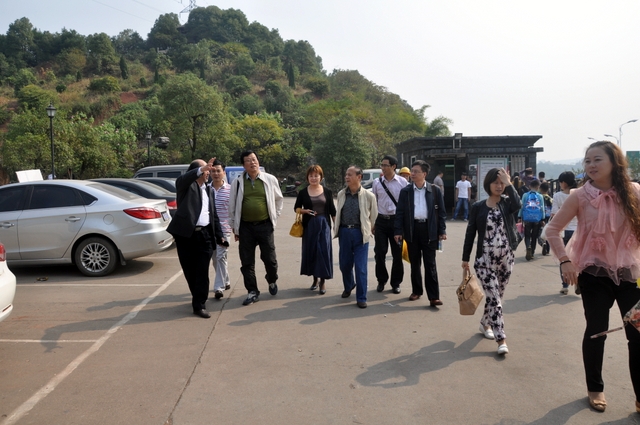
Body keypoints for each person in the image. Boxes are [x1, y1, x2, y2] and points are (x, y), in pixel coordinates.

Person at [546, 141, 640, 413]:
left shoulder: (634, 191)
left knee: (637, 334)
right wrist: (565, 261)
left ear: (614, 162)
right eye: (587, 161)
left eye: (597, 159)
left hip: (630, 276)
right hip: (594, 275)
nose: (591, 165)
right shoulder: (580, 196)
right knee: (597, 332)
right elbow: (552, 230)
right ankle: (595, 388)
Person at [461, 168, 521, 355]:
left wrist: (509, 183)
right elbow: (470, 233)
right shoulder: (478, 207)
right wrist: (465, 258)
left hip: (506, 259)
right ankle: (501, 339)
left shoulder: (507, 203)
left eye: (502, 183)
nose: (499, 186)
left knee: (497, 296)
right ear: (488, 184)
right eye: (496, 182)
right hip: (484, 261)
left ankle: (484, 323)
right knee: (494, 298)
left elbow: (518, 204)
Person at [167, 158, 226, 319]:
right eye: (207, 170)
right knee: (190, 271)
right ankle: (197, 296)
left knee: (202, 271)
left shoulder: (208, 189)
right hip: (186, 236)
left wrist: (219, 235)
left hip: (205, 235)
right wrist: (201, 169)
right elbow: (182, 180)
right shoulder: (186, 186)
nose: (209, 173)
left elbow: (213, 215)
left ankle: (199, 304)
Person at [229, 150, 284, 306]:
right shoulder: (237, 183)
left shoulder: (270, 179)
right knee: (247, 262)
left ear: (258, 161)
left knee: (270, 260)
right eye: (248, 160)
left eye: (254, 159)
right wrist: (235, 227)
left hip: (265, 226)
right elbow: (232, 206)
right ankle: (252, 291)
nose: (252, 162)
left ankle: (271, 279)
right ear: (243, 165)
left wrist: (274, 217)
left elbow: (279, 200)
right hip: (245, 228)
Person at [394, 160, 447, 307]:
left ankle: (434, 296)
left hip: (429, 230)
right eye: (412, 171)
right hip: (412, 230)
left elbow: (441, 213)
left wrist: (442, 230)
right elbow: (400, 213)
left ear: (424, 174)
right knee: (415, 263)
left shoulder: (435, 190)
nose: (412, 174)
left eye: (416, 171)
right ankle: (416, 291)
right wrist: (398, 231)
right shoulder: (406, 191)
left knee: (430, 264)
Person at [334, 166, 378, 308]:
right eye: (346, 174)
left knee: (361, 267)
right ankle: (349, 285)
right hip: (344, 232)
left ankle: (361, 297)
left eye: (350, 175)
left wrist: (370, 229)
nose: (346, 177)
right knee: (344, 265)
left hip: (361, 234)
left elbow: (374, 216)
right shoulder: (341, 194)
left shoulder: (369, 196)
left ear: (359, 177)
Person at [294, 165, 336, 295]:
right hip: (310, 226)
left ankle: (323, 281)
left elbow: (332, 210)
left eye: (316, 175)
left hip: (324, 225)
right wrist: (305, 211)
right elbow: (296, 208)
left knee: (323, 252)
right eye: (311, 176)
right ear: (307, 178)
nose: (313, 178)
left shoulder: (327, 191)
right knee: (312, 251)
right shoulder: (303, 192)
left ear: (321, 177)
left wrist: (336, 225)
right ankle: (315, 279)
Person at [372, 155, 408, 294]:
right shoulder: (377, 182)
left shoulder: (403, 182)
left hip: (396, 222)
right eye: (382, 165)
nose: (383, 167)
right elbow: (374, 203)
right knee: (380, 252)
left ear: (393, 166)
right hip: (381, 221)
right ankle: (381, 280)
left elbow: (406, 204)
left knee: (397, 254)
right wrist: (373, 222)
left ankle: (396, 283)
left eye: (385, 165)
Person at [549, 171, 578, 294]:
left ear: (564, 183)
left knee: (564, 259)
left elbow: (554, 213)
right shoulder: (579, 194)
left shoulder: (558, 196)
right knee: (578, 259)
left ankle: (565, 285)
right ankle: (577, 282)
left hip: (564, 231)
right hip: (578, 231)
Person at [210, 159, 232, 299]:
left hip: (225, 229)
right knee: (215, 259)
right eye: (213, 171)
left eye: (218, 171)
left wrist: (235, 228)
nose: (216, 173)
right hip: (210, 229)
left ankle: (219, 287)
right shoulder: (206, 189)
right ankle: (226, 280)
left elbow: (234, 210)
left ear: (224, 172)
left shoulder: (231, 190)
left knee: (220, 256)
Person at [519, 179, 544, 261]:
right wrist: (542, 219)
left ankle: (528, 247)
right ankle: (532, 252)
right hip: (537, 219)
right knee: (534, 236)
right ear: (538, 187)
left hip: (527, 218)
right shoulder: (540, 196)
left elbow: (522, 206)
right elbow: (542, 209)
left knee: (527, 235)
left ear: (529, 186)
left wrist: (519, 216)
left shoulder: (525, 195)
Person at [539, 182, 553, 256]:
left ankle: (542, 243)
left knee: (539, 232)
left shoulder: (539, 197)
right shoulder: (550, 199)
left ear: (540, 188)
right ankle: (547, 249)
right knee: (547, 232)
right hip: (548, 217)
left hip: (540, 217)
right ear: (548, 189)